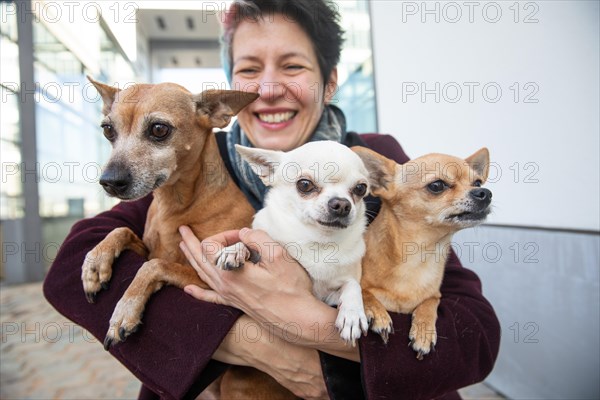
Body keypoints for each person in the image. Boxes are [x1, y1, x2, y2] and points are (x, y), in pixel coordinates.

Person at [43, 1, 501, 399]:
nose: (267, 88)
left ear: (329, 82)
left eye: (293, 66)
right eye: (248, 69)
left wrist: (316, 336)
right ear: (229, 95)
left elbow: (473, 334)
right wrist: (259, 344)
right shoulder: (195, 158)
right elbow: (69, 271)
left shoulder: (382, 166)